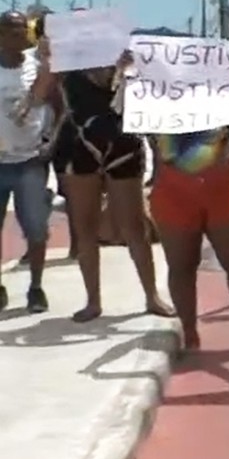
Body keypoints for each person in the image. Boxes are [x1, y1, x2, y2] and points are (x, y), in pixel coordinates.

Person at [116, 51, 229, 353]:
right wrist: (124, 72)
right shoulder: (151, 97)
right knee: (181, 269)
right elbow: (123, 110)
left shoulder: (221, 93)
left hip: (224, 194)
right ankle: (190, 335)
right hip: (173, 196)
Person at [54, 29, 173, 323]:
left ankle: (151, 295)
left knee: (134, 226)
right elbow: (39, 96)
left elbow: (150, 102)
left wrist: (127, 68)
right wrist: (48, 61)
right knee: (85, 227)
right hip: (80, 146)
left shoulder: (127, 65)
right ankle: (93, 301)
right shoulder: (64, 67)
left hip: (124, 144)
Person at [0, 11, 55, 313]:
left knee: (36, 229)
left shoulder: (38, 70)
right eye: (11, 30)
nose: (19, 34)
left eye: (23, 29)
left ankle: (35, 288)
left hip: (30, 162)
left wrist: (51, 142)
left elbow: (57, 109)